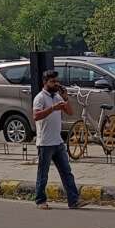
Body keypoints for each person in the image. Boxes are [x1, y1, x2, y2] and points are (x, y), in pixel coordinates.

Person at [31, 70, 83, 210]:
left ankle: (74, 200)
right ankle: (40, 200)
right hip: (45, 143)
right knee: (43, 174)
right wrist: (53, 108)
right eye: (52, 82)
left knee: (67, 172)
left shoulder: (57, 97)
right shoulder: (40, 98)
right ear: (45, 82)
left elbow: (70, 112)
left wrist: (66, 99)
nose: (55, 84)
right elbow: (36, 116)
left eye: (56, 81)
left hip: (58, 141)